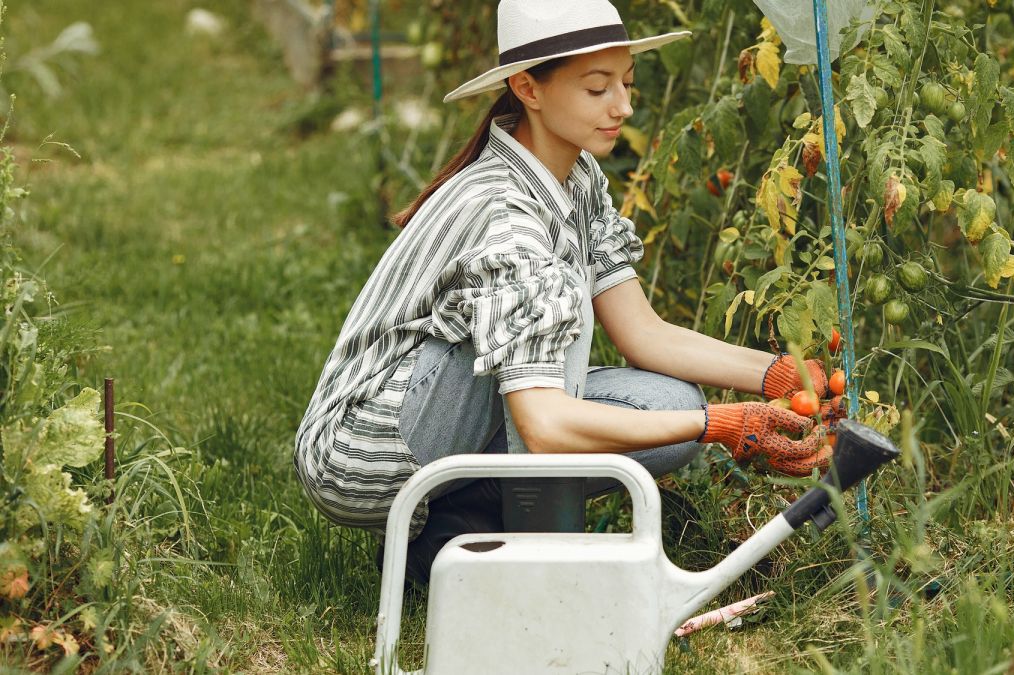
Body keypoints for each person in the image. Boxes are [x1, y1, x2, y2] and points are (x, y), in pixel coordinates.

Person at [293, 0, 842, 584]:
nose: (623, 107)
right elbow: (546, 425)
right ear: (528, 88)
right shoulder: (503, 210)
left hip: (450, 415)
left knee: (674, 407)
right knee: (569, 303)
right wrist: (724, 424)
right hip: (362, 452)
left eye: (626, 84)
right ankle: (536, 562)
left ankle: (455, 527)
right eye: (597, 89)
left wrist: (778, 375)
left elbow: (642, 332)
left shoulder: (576, 179)